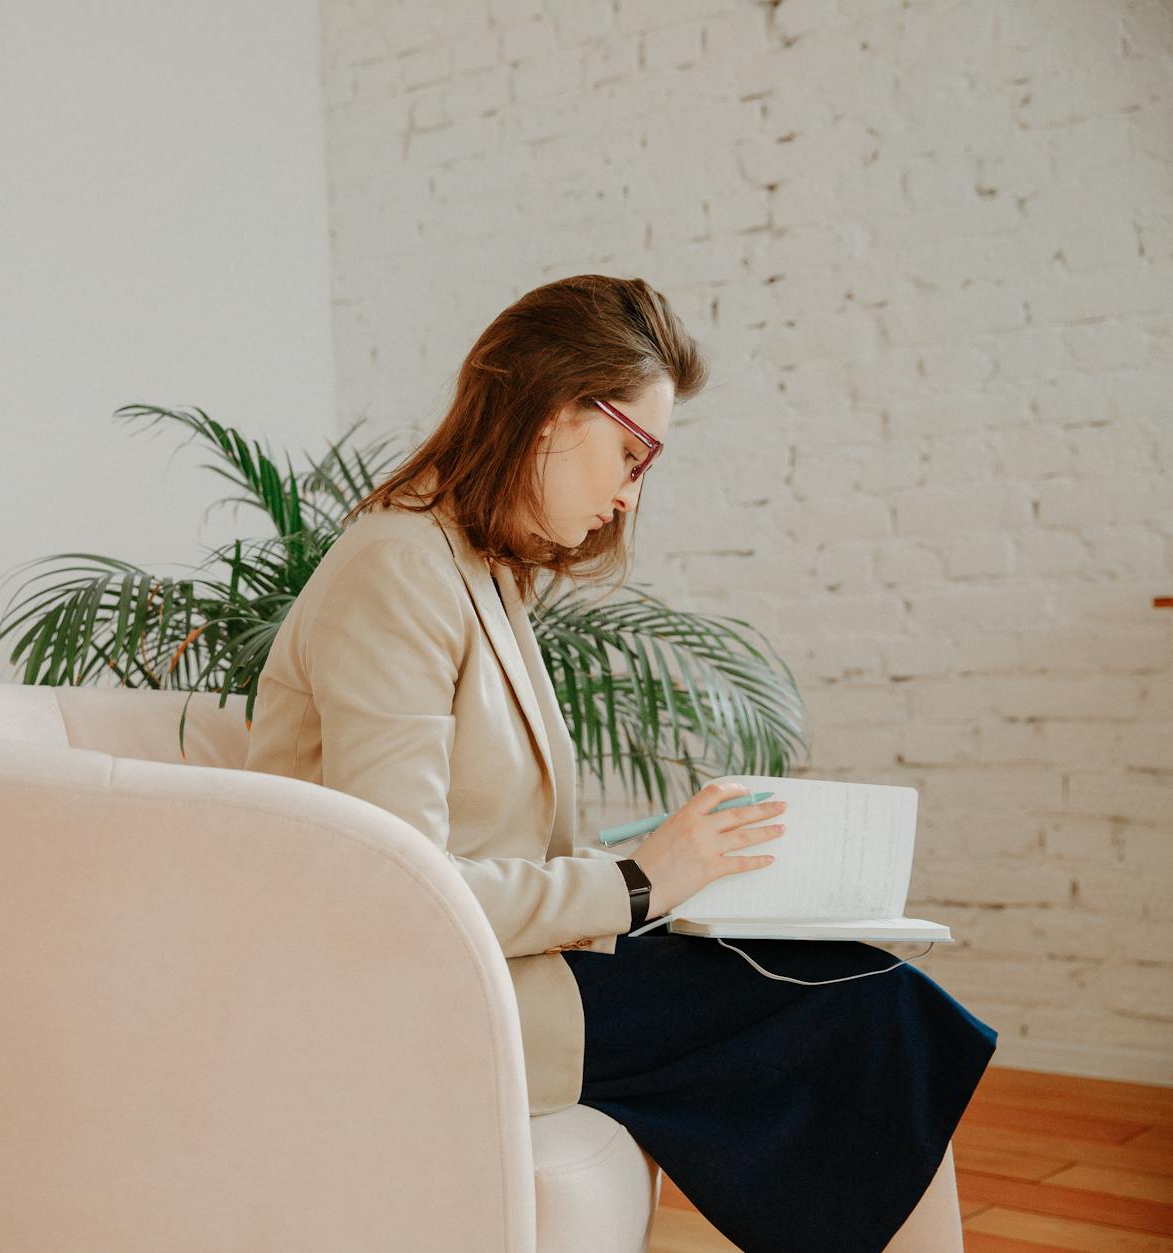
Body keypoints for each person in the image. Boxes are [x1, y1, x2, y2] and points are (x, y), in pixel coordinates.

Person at [241, 274, 996, 1252]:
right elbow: (397, 894)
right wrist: (641, 880)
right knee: (862, 1006)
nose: (627, 492)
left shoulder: (470, 570)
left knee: (855, 983)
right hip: (418, 996)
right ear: (551, 408)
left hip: (501, 964)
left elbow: (481, 843)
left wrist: (672, 870)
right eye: (629, 452)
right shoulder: (395, 567)